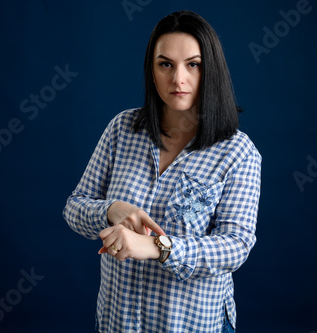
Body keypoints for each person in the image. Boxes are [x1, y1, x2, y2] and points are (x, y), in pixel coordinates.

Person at [63, 10, 261, 332]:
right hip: (117, 322)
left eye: (193, 65)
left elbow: (236, 246)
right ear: (151, 70)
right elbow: (75, 207)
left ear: (211, 70)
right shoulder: (121, 129)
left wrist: (158, 248)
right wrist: (112, 210)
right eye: (165, 64)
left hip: (192, 324)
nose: (178, 79)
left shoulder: (236, 151)